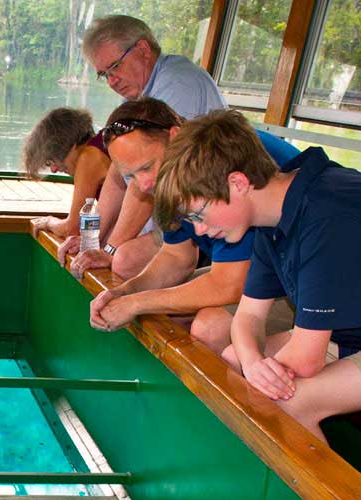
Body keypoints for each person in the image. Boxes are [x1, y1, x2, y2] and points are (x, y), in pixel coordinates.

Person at [154, 110, 361, 441]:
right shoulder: (274, 218)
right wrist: (253, 361)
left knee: (286, 402)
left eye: (199, 214)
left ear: (237, 183)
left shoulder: (329, 215)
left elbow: (305, 359)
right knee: (233, 361)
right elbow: (248, 318)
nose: (199, 228)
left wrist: (257, 372)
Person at [88, 99, 300, 356]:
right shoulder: (171, 171)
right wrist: (125, 291)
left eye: (146, 167)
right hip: (263, 272)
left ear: (174, 135)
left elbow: (228, 284)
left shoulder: (218, 159)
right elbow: (177, 256)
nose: (143, 184)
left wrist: (137, 303)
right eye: (131, 176)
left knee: (210, 327)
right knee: (166, 315)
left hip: (301, 283)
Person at [62, 15, 229, 278]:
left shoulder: (178, 83)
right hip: (174, 219)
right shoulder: (138, 99)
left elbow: (148, 181)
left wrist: (110, 249)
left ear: (143, 49)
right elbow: (120, 175)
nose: (111, 81)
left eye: (115, 67)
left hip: (208, 224)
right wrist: (92, 242)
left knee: (124, 261)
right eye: (104, 74)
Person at [23, 108, 157, 278]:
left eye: (52, 160)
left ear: (69, 145)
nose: (55, 169)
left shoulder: (89, 157)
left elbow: (73, 227)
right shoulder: (101, 147)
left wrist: (49, 222)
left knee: (123, 260)